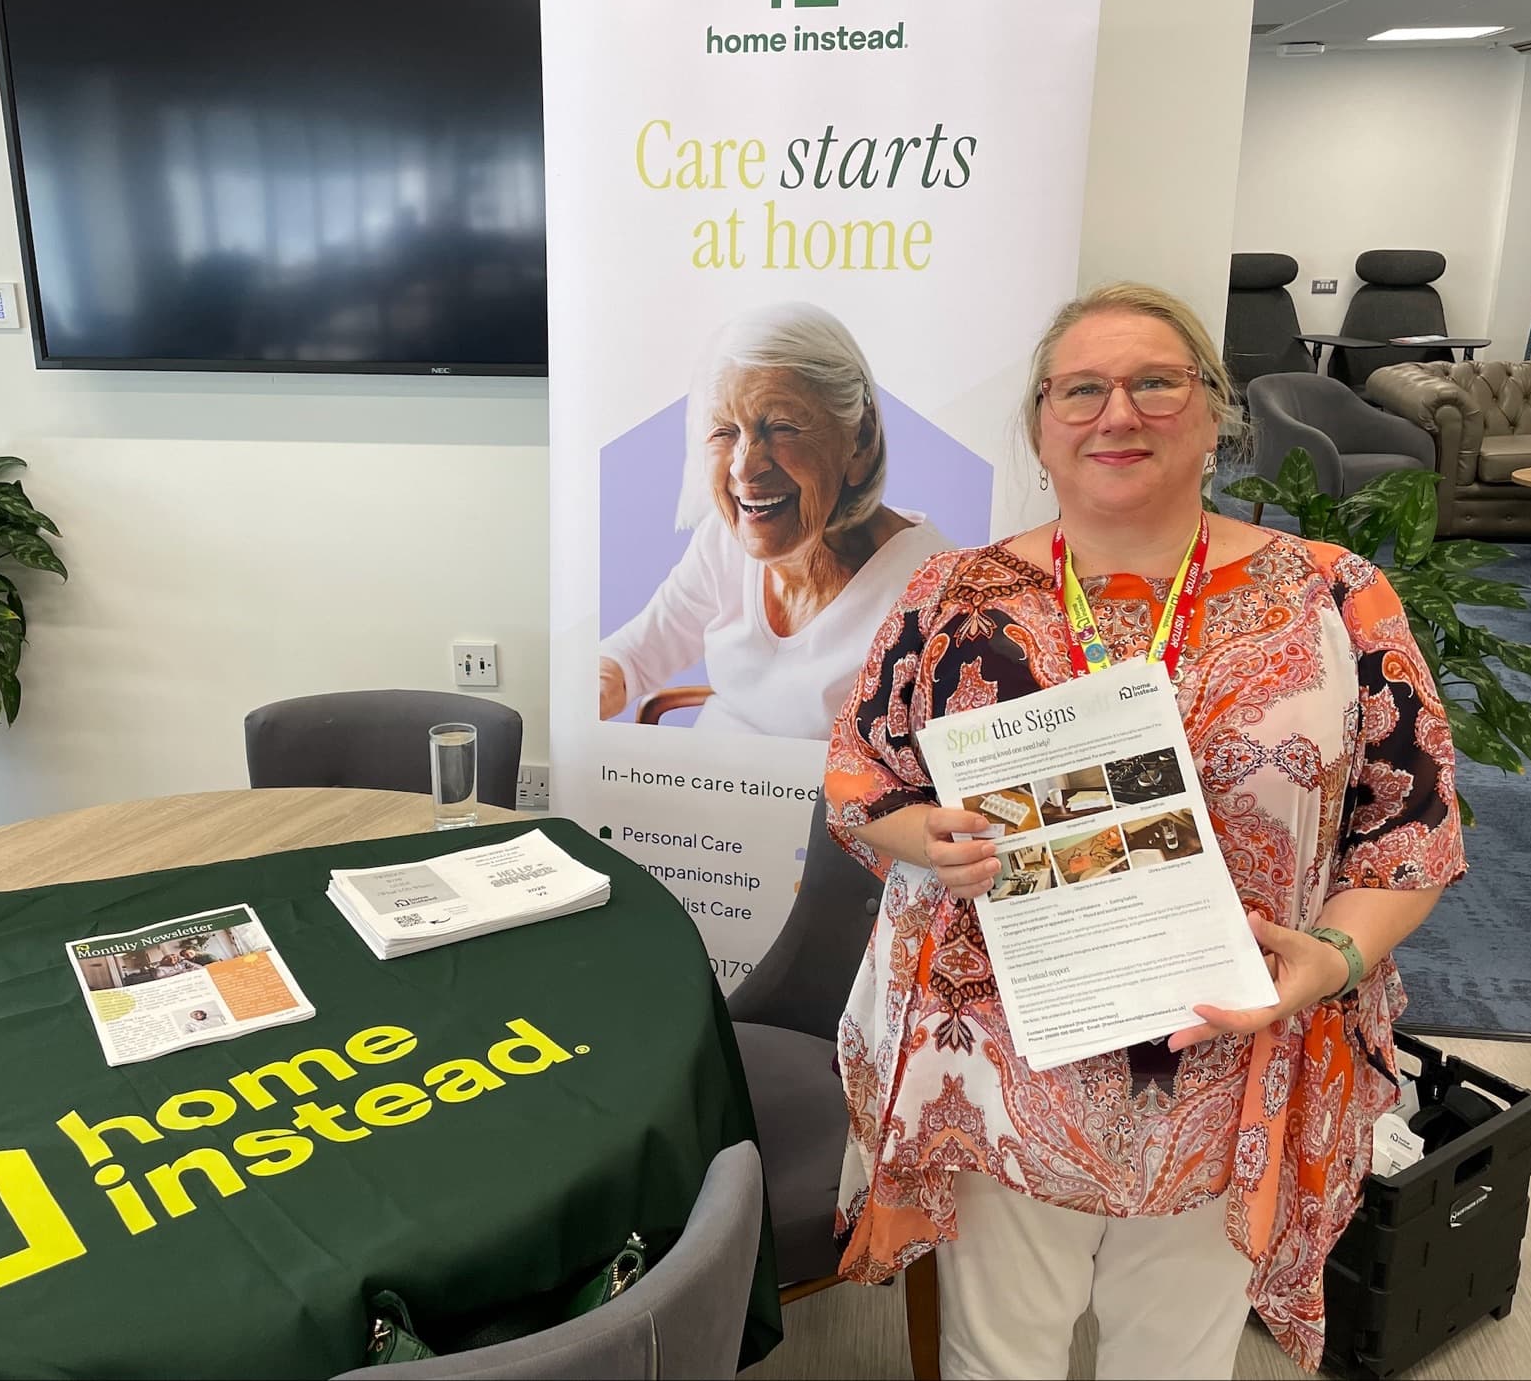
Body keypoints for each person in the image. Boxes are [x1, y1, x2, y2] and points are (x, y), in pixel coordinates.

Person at [825, 282, 1464, 1380]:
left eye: (1153, 382)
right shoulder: (949, 597)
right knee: (994, 1356)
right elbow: (857, 773)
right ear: (1039, 427)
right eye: (1080, 388)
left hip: (1231, 1056)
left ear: (1212, 413)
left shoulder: (1333, 598)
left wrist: (1338, 956)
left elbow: (1410, 830)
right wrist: (917, 836)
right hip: (1000, 1069)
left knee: (1173, 1360)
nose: (1116, 412)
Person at [600, 302, 949, 738]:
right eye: (724, 432)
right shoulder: (723, 543)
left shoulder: (933, 591)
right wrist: (597, 685)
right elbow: (635, 653)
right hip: (702, 790)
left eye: (781, 427)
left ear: (858, 438)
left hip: (829, 806)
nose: (745, 467)